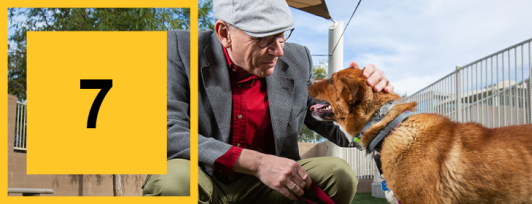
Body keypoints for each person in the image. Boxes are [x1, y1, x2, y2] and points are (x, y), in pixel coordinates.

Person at [142, 0, 394, 203]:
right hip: (205, 179)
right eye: (263, 38)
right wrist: (259, 163)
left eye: (282, 35)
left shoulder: (297, 59)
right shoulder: (178, 48)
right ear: (224, 33)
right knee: (170, 182)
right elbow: (167, 131)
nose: (279, 50)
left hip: (271, 188)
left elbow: (334, 125)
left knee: (339, 175)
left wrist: (371, 105)